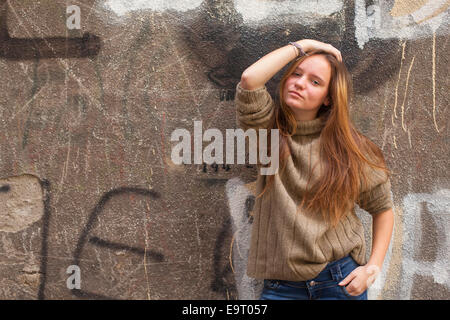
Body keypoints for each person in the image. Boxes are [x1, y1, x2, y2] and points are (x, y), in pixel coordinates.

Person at [235, 39, 394, 300]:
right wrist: (302, 45)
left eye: (315, 82)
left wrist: (371, 268)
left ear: (329, 99)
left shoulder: (350, 148)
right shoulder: (268, 134)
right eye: (296, 74)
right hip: (281, 288)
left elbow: (383, 209)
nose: (300, 83)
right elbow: (250, 79)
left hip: (339, 280)